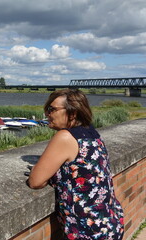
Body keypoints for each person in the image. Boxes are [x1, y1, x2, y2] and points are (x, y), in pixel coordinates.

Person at [26, 89, 124, 240]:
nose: (47, 114)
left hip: (88, 232)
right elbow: (80, 172)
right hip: (110, 224)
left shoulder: (65, 137)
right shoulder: (92, 135)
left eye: (52, 109)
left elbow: (35, 181)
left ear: (72, 113)